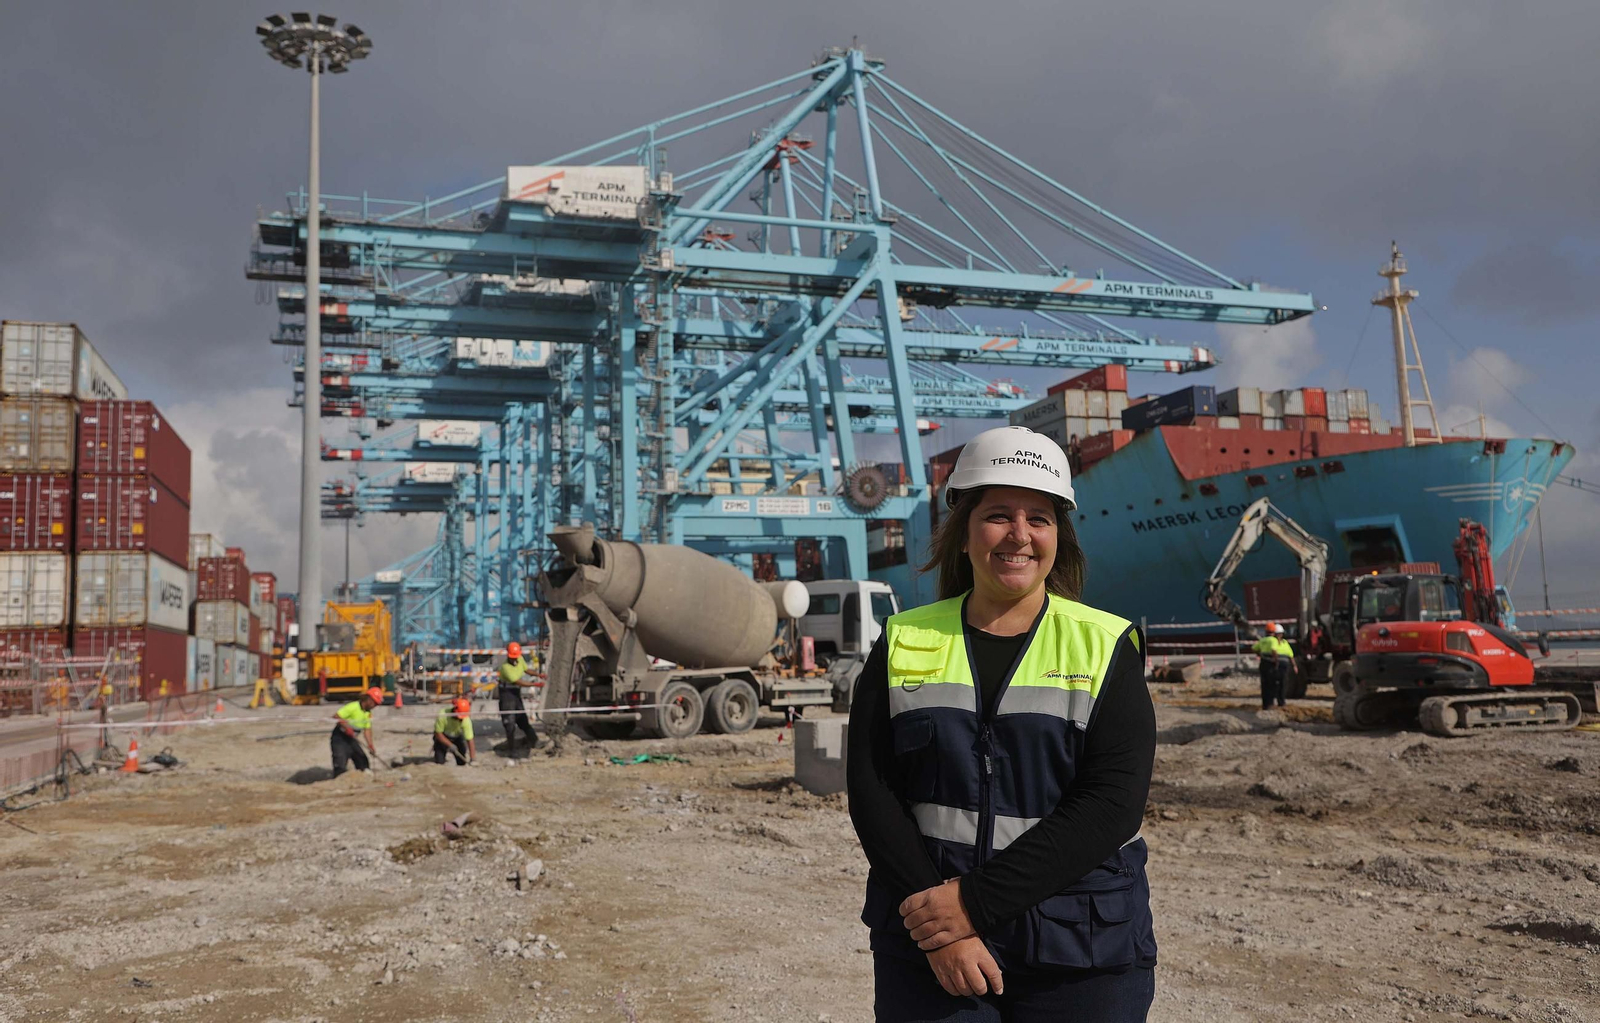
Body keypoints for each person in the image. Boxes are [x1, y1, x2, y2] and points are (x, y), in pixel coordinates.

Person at [847, 425, 1157, 1022]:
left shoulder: (1106, 644)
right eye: (998, 515)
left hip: (1081, 947)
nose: (1019, 535)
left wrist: (972, 905)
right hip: (932, 946)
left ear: (1058, 538)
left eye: (1039, 518)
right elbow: (873, 792)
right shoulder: (904, 640)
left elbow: (1112, 804)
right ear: (963, 531)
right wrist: (946, 931)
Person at [497, 641, 541, 752]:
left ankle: (534, 741)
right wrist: (535, 684)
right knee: (509, 722)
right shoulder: (505, 668)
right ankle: (511, 749)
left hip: (515, 693)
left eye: (516, 657)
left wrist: (538, 675)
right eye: (513, 657)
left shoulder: (519, 658)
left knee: (522, 719)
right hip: (507, 693)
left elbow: (526, 670)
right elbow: (518, 682)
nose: (515, 659)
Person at [331, 687, 384, 776]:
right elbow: (336, 716)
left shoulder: (368, 713)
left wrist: (370, 745)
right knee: (340, 763)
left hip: (352, 739)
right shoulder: (353, 706)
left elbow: (367, 729)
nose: (375, 706)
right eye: (375, 703)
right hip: (340, 738)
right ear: (369, 700)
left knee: (362, 761)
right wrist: (347, 728)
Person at [434, 697, 477, 765]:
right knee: (439, 762)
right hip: (443, 737)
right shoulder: (443, 714)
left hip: (457, 737)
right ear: (454, 710)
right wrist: (450, 745)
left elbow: (470, 740)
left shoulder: (466, 720)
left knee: (462, 762)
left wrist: (473, 759)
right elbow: (438, 734)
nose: (460, 720)